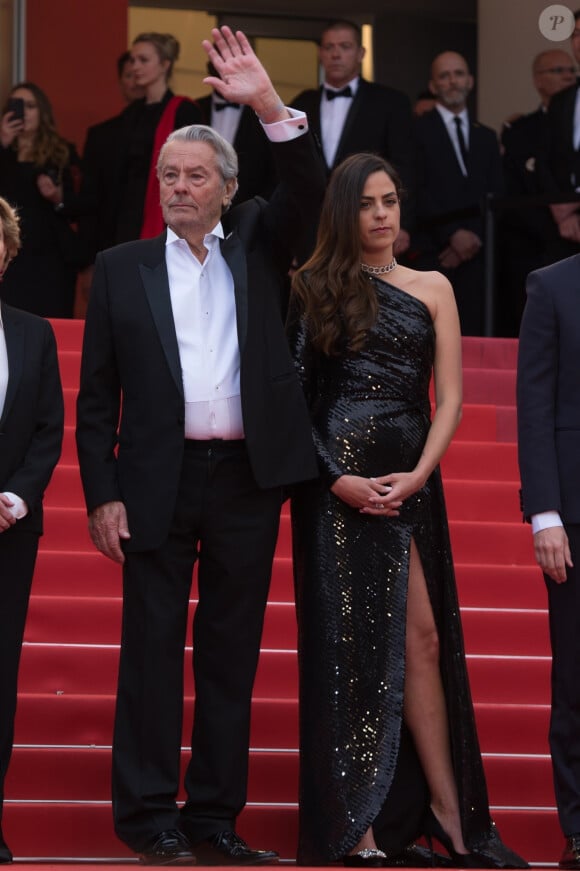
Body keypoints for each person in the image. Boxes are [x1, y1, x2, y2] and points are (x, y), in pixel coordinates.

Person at [75, 25, 325, 867]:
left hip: (247, 479)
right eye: (168, 176)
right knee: (149, 653)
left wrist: (265, 103)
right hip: (157, 478)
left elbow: (312, 193)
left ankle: (216, 814)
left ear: (225, 187)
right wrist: (101, 491)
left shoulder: (259, 240)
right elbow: (94, 393)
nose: (179, 186)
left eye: (194, 175)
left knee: (231, 652)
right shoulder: (120, 266)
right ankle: (150, 819)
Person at [287, 152, 528, 869]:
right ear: (345, 213)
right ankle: (354, 825)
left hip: (411, 481)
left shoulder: (434, 286)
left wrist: (422, 472)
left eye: (390, 200)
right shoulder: (312, 286)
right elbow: (292, 404)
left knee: (421, 641)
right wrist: (336, 480)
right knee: (348, 650)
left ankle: (453, 816)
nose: (383, 215)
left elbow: (448, 396)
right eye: (367, 204)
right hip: (338, 489)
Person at [0, 195, 64, 864]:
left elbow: (49, 427)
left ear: (8, 254)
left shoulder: (32, 332)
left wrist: (15, 497)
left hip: (9, 531)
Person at [517, 253, 580, 871]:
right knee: (577, 678)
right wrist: (545, 513)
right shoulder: (553, 285)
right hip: (575, 514)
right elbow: (533, 403)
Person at [291, 19, 416, 255]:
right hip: (310, 230)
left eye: (345, 46)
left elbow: (405, 165)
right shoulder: (301, 104)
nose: (336, 54)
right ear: (320, 54)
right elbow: (289, 169)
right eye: (329, 47)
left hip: (369, 223)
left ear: (361, 53)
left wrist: (403, 223)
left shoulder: (391, 102)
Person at [77, 32, 203, 262]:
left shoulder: (185, 111)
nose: (135, 67)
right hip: (123, 218)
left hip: (163, 217)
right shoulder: (129, 116)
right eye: (133, 60)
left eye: (143, 60)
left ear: (165, 64)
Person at [412, 51, 503, 336]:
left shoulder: (486, 136)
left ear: (470, 81)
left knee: (475, 340)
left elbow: (496, 193)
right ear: (433, 85)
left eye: (459, 74)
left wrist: (473, 237)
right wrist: (452, 234)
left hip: (477, 258)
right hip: (435, 255)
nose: (452, 81)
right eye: (444, 76)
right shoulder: (415, 131)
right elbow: (416, 189)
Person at [499, 50, 576, 336]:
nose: (568, 75)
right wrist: (557, 223)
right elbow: (513, 195)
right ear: (538, 80)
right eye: (558, 71)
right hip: (536, 250)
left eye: (571, 70)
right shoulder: (520, 130)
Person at [0, 82, 85, 317]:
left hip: (49, 257)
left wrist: (58, 197)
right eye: (17, 106)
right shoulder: (3, 149)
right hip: (8, 255)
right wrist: (3, 144)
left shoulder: (61, 152)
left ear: (42, 112)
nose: (23, 112)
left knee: (48, 324)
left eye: (30, 106)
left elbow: (81, 204)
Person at [194, 61, 278, 203]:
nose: (226, 69)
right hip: (198, 205)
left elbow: (274, 171)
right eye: (221, 61)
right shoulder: (194, 109)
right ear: (210, 66)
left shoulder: (263, 114)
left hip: (249, 210)